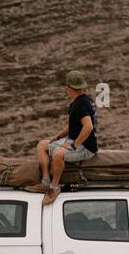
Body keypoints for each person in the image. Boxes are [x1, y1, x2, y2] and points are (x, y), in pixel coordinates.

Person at [30, 69, 98, 204]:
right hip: (74, 141)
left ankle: (54, 187)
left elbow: (88, 127)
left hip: (86, 147)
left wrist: (74, 144)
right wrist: (56, 137)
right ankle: (45, 182)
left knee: (58, 153)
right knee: (42, 144)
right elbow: (73, 126)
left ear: (68, 86)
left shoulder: (80, 104)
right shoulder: (80, 101)